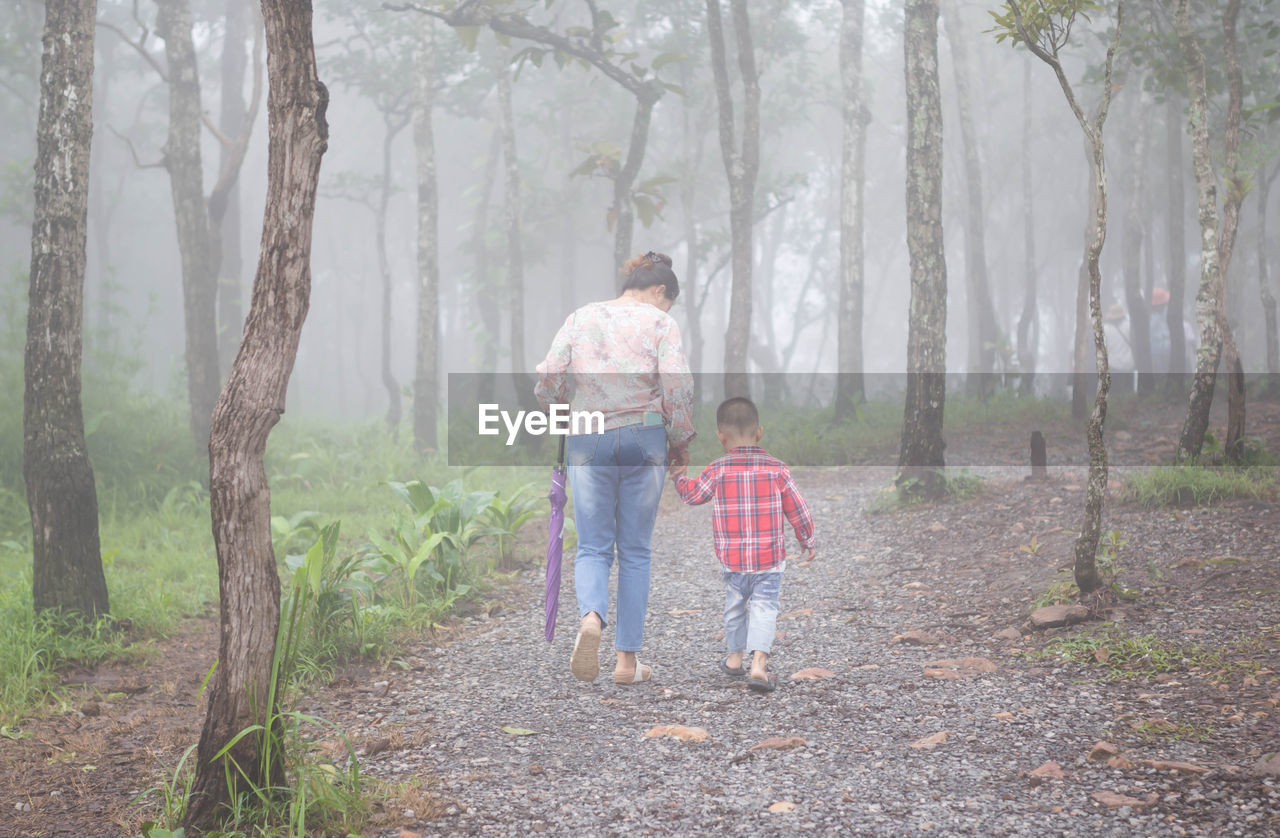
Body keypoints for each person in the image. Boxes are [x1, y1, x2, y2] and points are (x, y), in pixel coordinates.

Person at [535, 252, 695, 685]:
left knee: (592, 546)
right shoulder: (661, 323)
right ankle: (627, 664)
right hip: (645, 438)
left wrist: (562, 412)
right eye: (668, 302)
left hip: (588, 436)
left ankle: (591, 619)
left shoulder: (582, 317)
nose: (665, 311)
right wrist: (680, 440)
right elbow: (678, 387)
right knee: (636, 551)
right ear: (660, 290)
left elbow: (549, 375)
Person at [668, 397, 816, 694]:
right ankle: (758, 664)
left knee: (734, 608)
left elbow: (694, 495)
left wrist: (678, 477)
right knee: (765, 608)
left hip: (733, 560)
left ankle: (735, 659)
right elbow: (798, 508)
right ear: (759, 432)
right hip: (769, 560)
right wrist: (806, 538)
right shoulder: (777, 469)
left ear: (721, 437)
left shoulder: (717, 469)